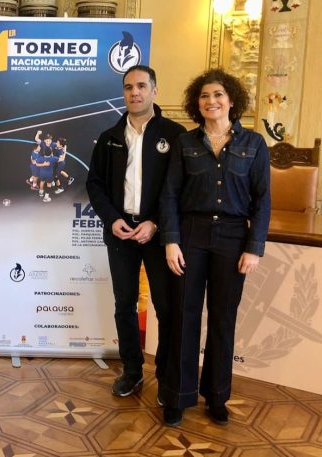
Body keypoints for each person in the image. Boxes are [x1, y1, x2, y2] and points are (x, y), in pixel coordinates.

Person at [160, 69, 270, 426]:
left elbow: (262, 200)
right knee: (183, 316)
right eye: (205, 96)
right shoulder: (185, 143)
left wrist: (254, 247)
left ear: (231, 100)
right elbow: (170, 195)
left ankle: (217, 396)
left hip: (233, 238)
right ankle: (178, 396)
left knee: (223, 319)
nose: (212, 101)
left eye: (218, 94)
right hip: (190, 236)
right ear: (197, 103)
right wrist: (171, 240)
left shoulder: (254, 144)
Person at [86, 65, 186, 399]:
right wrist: (112, 219)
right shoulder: (110, 137)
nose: (135, 92)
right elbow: (95, 184)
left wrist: (155, 222)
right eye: (129, 87)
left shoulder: (175, 135)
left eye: (142, 86)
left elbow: (180, 188)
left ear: (155, 91)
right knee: (124, 304)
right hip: (121, 233)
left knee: (166, 307)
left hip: (159, 235)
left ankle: (166, 377)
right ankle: (132, 371)